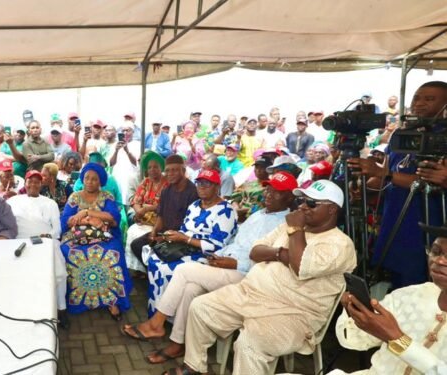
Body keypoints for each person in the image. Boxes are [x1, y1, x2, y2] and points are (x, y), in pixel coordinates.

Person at [163, 180, 356, 375]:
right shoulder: (287, 228)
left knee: (249, 345)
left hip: (294, 313)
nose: (303, 207)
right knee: (200, 307)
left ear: (332, 210)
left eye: (312, 203)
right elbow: (255, 252)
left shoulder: (340, 244)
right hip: (251, 294)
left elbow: (300, 266)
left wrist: (296, 231)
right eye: (303, 200)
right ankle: (195, 367)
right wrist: (282, 254)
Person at [122, 171, 296, 364]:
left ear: (290, 197)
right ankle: (178, 343)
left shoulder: (286, 225)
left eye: (276, 192)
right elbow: (236, 244)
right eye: (268, 190)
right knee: (189, 287)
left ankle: (157, 323)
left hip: (247, 274)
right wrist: (221, 256)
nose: (268, 195)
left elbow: (270, 260)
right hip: (225, 260)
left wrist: (235, 262)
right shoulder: (258, 214)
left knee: (183, 270)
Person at [349, 81, 447, 288]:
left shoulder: (442, 138)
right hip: (395, 222)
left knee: (423, 289)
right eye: (417, 98)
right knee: (396, 288)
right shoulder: (402, 134)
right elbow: (385, 173)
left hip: (428, 226)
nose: (419, 104)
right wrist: (364, 185)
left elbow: (426, 180)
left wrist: (385, 175)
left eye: (429, 99)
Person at [330, 224, 446, 375]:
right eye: (436, 252)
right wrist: (356, 313)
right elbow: (353, 341)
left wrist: (396, 338)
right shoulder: (409, 295)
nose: (440, 261)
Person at [145, 168, 238, 316]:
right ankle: (157, 310)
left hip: (205, 254)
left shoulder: (226, 210)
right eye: (199, 183)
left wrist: (185, 239)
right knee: (155, 259)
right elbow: (184, 229)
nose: (201, 187)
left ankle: (169, 315)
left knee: (168, 267)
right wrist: (171, 235)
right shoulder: (194, 205)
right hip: (184, 246)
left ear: (217, 187)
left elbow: (217, 245)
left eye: (207, 184)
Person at [60, 162, 132, 320]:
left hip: (104, 236)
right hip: (77, 237)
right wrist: (89, 221)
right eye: (87, 178)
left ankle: (112, 300)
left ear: (100, 181)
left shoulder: (107, 197)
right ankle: (78, 300)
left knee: (112, 253)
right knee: (69, 252)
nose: (90, 182)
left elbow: (113, 218)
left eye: (94, 179)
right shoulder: (75, 196)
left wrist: (86, 212)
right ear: (83, 179)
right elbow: (66, 221)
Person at [6, 170, 69, 328]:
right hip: (20, 243)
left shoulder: (50, 203)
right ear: (25, 183)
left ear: (41, 184)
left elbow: (57, 230)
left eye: (37, 182)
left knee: (59, 273)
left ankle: (62, 310)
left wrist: (48, 236)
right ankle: (27, 309)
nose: (33, 184)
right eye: (30, 181)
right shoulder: (13, 201)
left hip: (46, 242)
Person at [129, 155, 199, 272]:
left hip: (181, 236)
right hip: (164, 232)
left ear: (183, 170)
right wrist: (154, 232)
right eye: (167, 171)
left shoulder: (192, 192)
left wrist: (165, 237)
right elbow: (161, 215)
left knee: (163, 253)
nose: (170, 173)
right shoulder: (166, 191)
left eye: (174, 170)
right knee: (136, 245)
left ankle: (161, 275)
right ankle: (151, 273)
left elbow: (190, 224)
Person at [124, 151, 168, 275]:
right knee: (132, 231)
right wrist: (139, 211)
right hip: (144, 217)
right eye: (149, 167)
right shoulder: (146, 182)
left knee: (140, 234)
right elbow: (136, 200)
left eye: (155, 166)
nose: (152, 170)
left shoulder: (167, 183)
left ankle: (147, 268)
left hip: (159, 219)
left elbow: (165, 205)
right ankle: (138, 269)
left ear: (161, 167)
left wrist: (146, 209)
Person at [110, 121, 141, 206]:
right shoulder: (115, 145)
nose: (125, 133)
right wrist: (116, 151)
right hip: (118, 176)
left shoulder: (138, 145)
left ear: (133, 132)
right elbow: (111, 163)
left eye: (128, 130)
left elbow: (136, 163)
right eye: (123, 131)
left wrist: (127, 151)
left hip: (130, 178)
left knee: (128, 201)